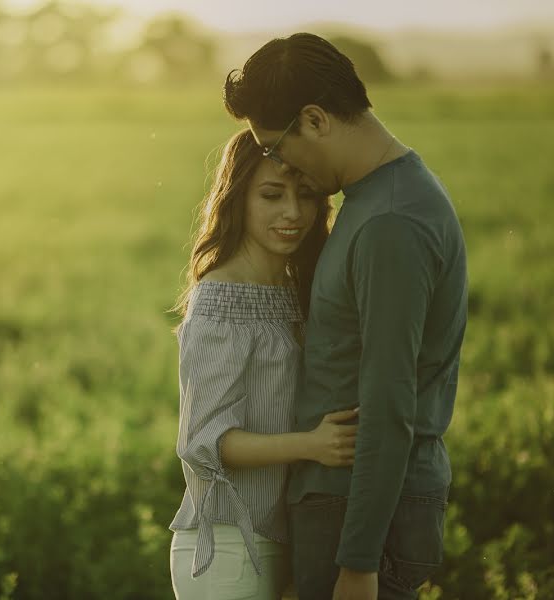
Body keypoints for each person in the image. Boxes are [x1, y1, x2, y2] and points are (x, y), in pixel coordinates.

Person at [223, 33, 469, 600]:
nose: (281, 166)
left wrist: (357, 565)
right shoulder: (376, 199)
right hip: (346, 503)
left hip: (355, 516)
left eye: (276, 147)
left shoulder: (389, 223)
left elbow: (388, 399)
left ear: (314, 119)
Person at [168, 129, 360, 600]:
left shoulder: (297, 290)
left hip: (284, 538)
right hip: (228, 547)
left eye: (307, 196)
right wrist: (311, 445)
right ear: (238, 198)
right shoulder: (218, 300)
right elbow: (204, 442)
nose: (292, 213)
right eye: (272, 195)